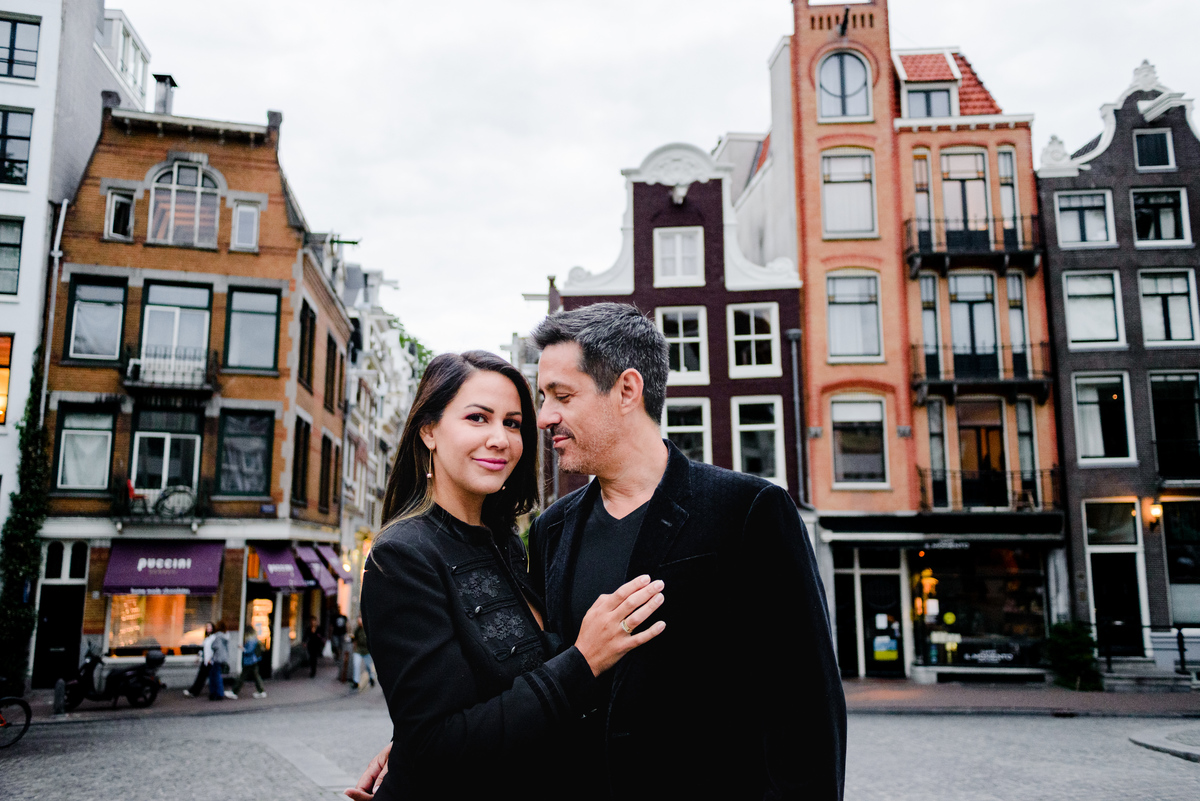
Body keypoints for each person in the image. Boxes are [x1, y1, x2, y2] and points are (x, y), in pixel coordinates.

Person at [353, 305, 845, 800]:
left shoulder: (749, 511)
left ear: (627, 391)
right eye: (542, 399)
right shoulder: (551, 529)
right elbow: (519, 680)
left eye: (561, 397)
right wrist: (415, 749)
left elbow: (807, 715)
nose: (544, 419)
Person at [346, 351, 665, 801]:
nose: (500, 439)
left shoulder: (508, 542)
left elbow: (472, 706)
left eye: (513, 423)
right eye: (478, 418)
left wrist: (410, 746)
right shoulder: (402, 556)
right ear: (429, 430)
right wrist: (584, 660)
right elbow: (439, 742)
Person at [231, 625, 267, 699]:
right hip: (254, 660)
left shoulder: (250, 640)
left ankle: (234, 691)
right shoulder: (255, 639)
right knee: (256, 676)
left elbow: (249, 651)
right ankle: (261, 691)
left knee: (243, 676)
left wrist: (242, 648)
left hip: (249, 661)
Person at [182, 621, 214, 698]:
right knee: (201, 676)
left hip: (210, 661)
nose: (208, 628)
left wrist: (211, 658)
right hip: (205, 660)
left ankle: (195, 691)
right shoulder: (206, 638)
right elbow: (202, 649)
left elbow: (213, 649)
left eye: (210, 627)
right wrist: (198, 656)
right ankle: (193, 691)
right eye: (207, 627)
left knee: (204, 677)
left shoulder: (213, 638)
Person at [208, 621, 235, 701]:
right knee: (217, 675)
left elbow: (214, 646)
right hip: (223, 658)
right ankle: (217, 693)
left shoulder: (218, 636)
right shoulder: (225, 636)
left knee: (215, 676)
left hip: (217, 658)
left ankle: (218, 693)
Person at [349, 617, 376, 690]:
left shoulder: (368, 629)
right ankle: (356, 682)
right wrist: (354, 648)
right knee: (356, 665)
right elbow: (355, 638)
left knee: (368, 666)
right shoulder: (357, 629)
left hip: (367, 651)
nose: (359, 623)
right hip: (358, 650)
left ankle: (371, 678)